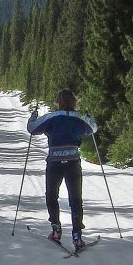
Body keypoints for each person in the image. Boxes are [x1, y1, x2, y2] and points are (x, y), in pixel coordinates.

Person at [27, 89, 98, 251]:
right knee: (76, 199)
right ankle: (77, 235)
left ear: (57, 101)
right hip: (73, 163)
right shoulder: (79, 118)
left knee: (52, 196)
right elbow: (93, 128)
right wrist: (89, 116)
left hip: (54, 163)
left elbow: (32, 128)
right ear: (74, 101)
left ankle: (56, 229)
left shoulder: (52, 117)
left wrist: (33, 116)